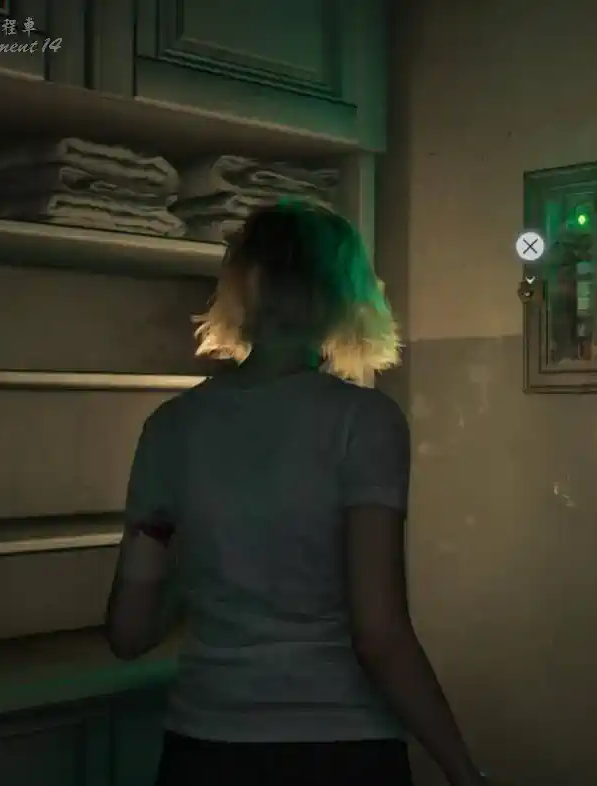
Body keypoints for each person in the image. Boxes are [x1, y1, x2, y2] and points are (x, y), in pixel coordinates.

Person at [104, 201, 486, 786]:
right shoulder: (363, 422)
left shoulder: (169, 428)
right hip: (341, 747)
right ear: (343, 296)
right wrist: (462, 770)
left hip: (206, 749)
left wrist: (208, 566)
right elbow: (379, 634)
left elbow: (129, 633)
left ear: (244, 287)